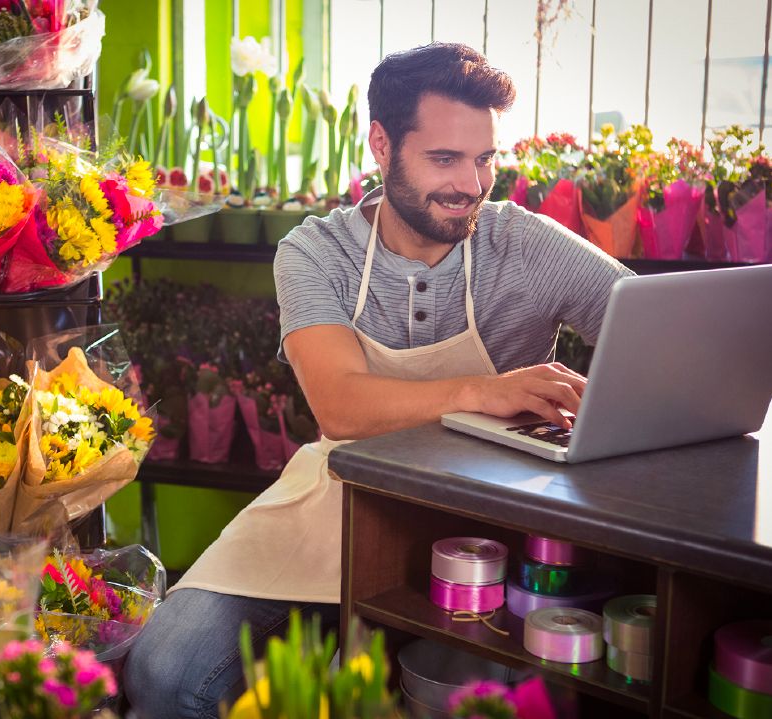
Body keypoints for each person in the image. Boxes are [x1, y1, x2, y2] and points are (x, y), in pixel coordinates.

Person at [124, 42, 633, 718]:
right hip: (338, 500)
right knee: (164, 672)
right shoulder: (315, 251)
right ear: (381, 145)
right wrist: (483, 391)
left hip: (490, 516)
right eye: (443, 159)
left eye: (484, 158)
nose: (471, 185)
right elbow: (342, 405)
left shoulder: (527, 244)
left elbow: (652, 335)